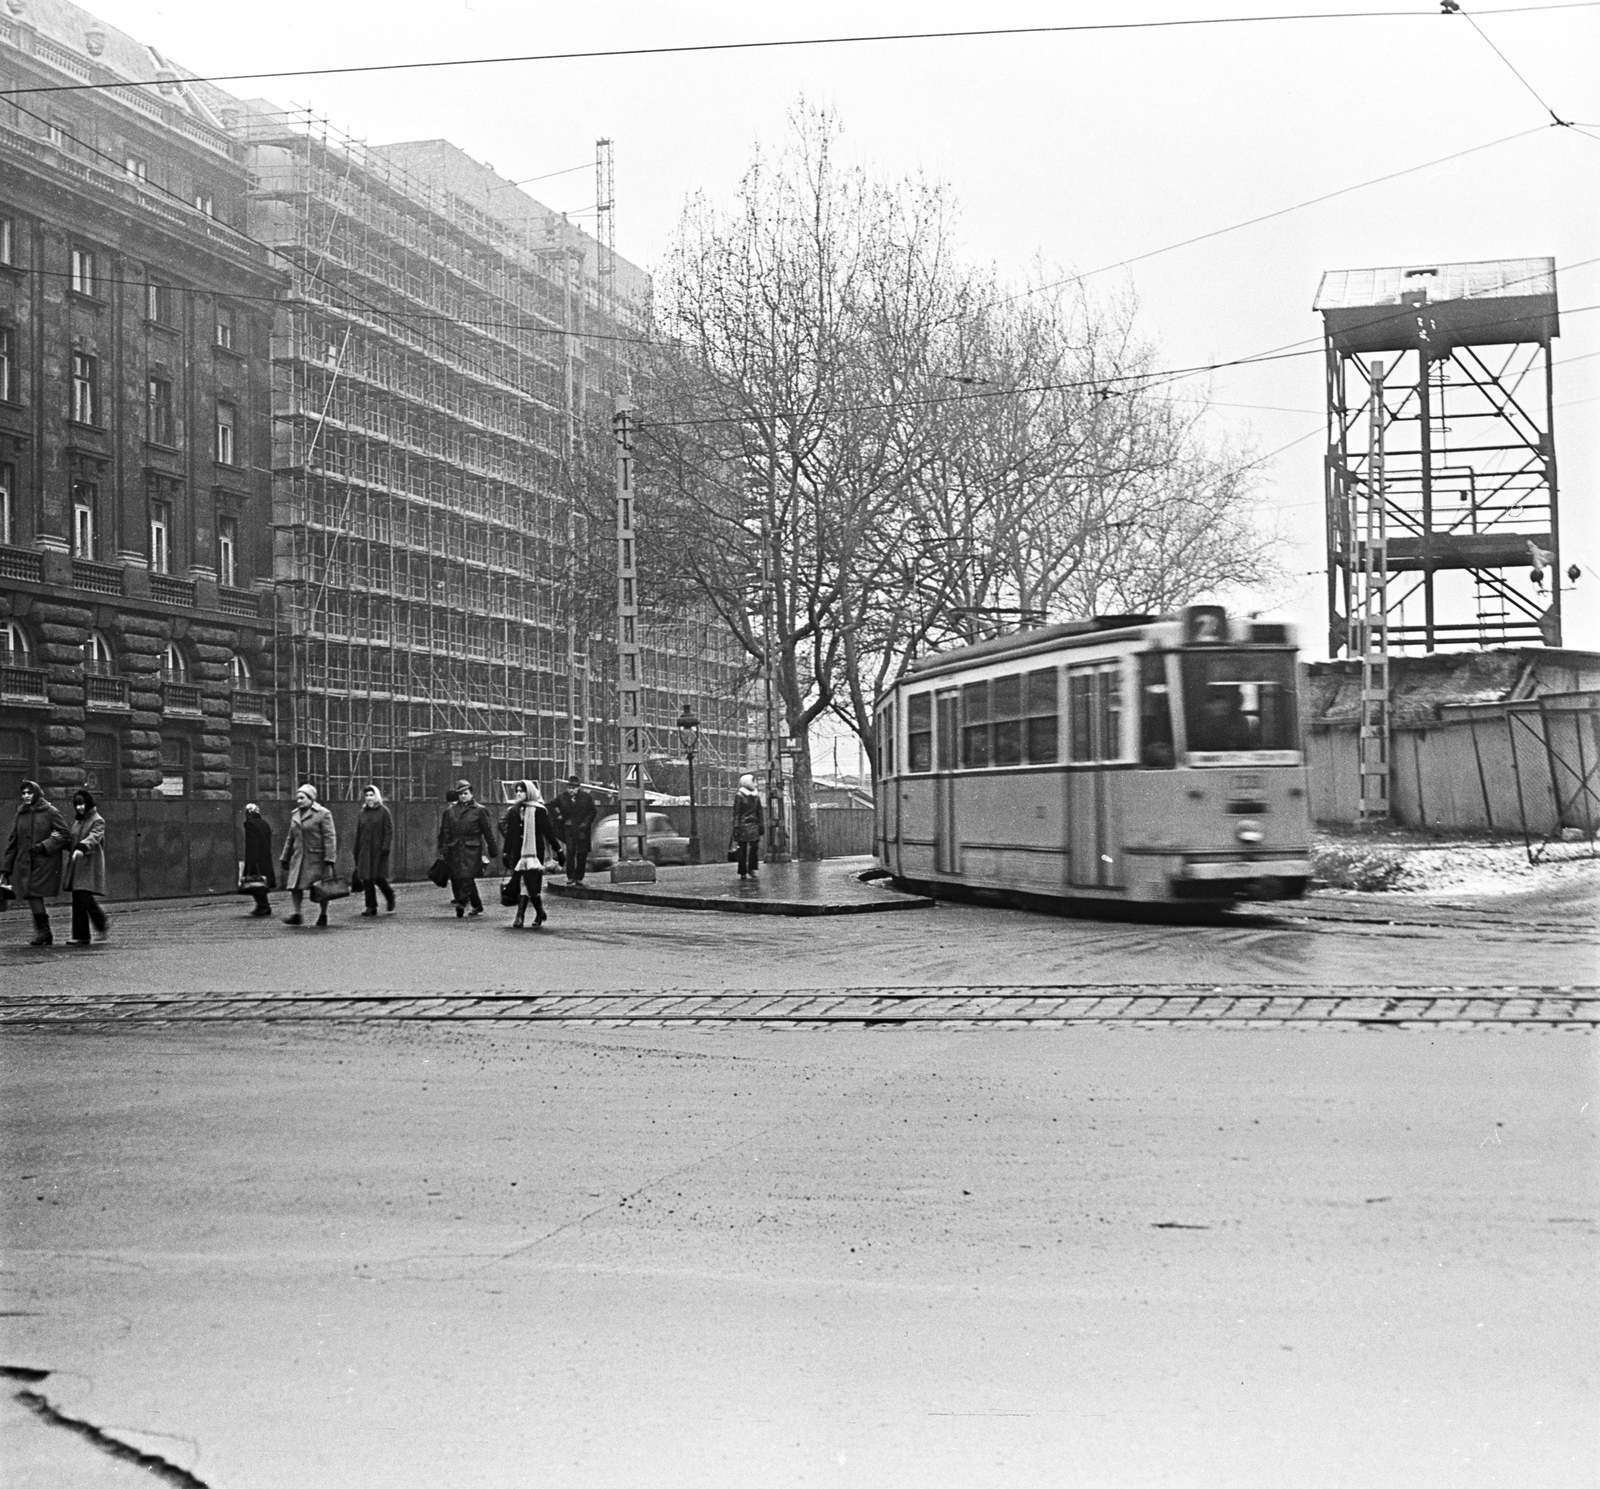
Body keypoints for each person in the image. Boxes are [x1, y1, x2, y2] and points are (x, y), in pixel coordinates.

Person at [2, 780, 69, 946]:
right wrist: (5, 870)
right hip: (25, 862)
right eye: (23, 793)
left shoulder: (50, 811)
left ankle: (44, 932)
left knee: (33, 893)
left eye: (29, 793)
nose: (25, 796)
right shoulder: (20, 814)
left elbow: (65, 834)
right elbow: (13, 842)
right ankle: (44, 932)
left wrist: (44, 846)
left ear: (36, 793)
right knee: (32, 895)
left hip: (44, 862)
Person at [500, 779, 562, 929]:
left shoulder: (539, 810)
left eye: (522, 791)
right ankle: (540, 912)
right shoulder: (514, 810)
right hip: (518, 852)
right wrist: (506, 852)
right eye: (517, 791)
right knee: (527, 883)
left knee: (527, 882)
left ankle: (520, 916)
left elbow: (548, 832)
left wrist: (558, 850)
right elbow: (511, 834)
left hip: (535, 852)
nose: (519, 793)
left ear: (530, 792)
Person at [279, 783, 338, 927]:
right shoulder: (295, 814)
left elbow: (330, 837)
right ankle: (297, 914)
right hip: (298, 858)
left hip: (316, 858)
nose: (298, 801)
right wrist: (285, 857)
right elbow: (290, 838)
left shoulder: (323, 813)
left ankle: (323, 914)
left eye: (302, 798)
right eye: (297, 798)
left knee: (321, 888)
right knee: (295, 887)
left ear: (311, 798)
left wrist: (330, 859)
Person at [437, 778, 497, 918]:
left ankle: (462, 903)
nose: (463, 796)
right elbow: (446, 831)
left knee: (468, 876)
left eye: (465, 793)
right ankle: (477, 905)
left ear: (471, 793)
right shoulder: (451, 811)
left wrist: (492, 847)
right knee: (461, 877)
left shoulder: (480, 810)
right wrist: (445, 848)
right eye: (460, 794)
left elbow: (487, 831)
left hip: (472, 848)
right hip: (455, 847)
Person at [62, 789, 110, 944]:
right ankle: (81, 936)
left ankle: (102, 922)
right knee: (77, 899)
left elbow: (94, 837)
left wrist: (81, 847)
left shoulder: (98, 820)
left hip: (89, 863)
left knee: (83, 896)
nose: (79, 807)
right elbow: (73, 840)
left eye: (82, 804)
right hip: (78, 864)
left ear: (88, 803)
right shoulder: (78, 821)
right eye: (77, 805)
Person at [353, 785, 396, 917]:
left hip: (378, 850)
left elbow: (388, 831)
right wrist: (356, 850)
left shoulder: (384, 811)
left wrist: (385, 847)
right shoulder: (362, 813)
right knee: (367, 878)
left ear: (376, 796)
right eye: (367, 795)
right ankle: (371, 906)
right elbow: (359, 833)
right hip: (365, 850)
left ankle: (389, 895)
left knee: (377, 876)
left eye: (371, 795)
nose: (369, 798)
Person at [552, 774, 597, 884]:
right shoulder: (562, 797)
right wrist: (558, 815)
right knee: (570, 852)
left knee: (581, 853)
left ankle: (579, 877)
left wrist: (585, 824)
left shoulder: (586, 797)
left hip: (582, 830)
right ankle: (570, 877)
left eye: (573, 788)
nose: (571, 790)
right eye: (569, 788)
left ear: (578, 788)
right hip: (568, 829)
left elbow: (593, 811)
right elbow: (551, 805)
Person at [241, 802, 277, 917]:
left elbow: (252, 843)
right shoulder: (264, 823)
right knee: (261, 882)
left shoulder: (250, 824)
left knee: (255, 882)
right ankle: (262, 906)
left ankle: (263, 906)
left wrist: (252, 861)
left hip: (255, 857)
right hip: (265, 856)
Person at [731, 773, 764, 880]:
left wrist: (761, 824)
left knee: (753, 847)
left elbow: (759, 811)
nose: (755, 784)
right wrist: (736, 827)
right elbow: (737, 812)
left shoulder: (755, 795)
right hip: (743, 825)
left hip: (751, 824)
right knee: (743, 849)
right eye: (753, 781)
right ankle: (744, 871)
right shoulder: (740, 796)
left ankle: (750, 868)